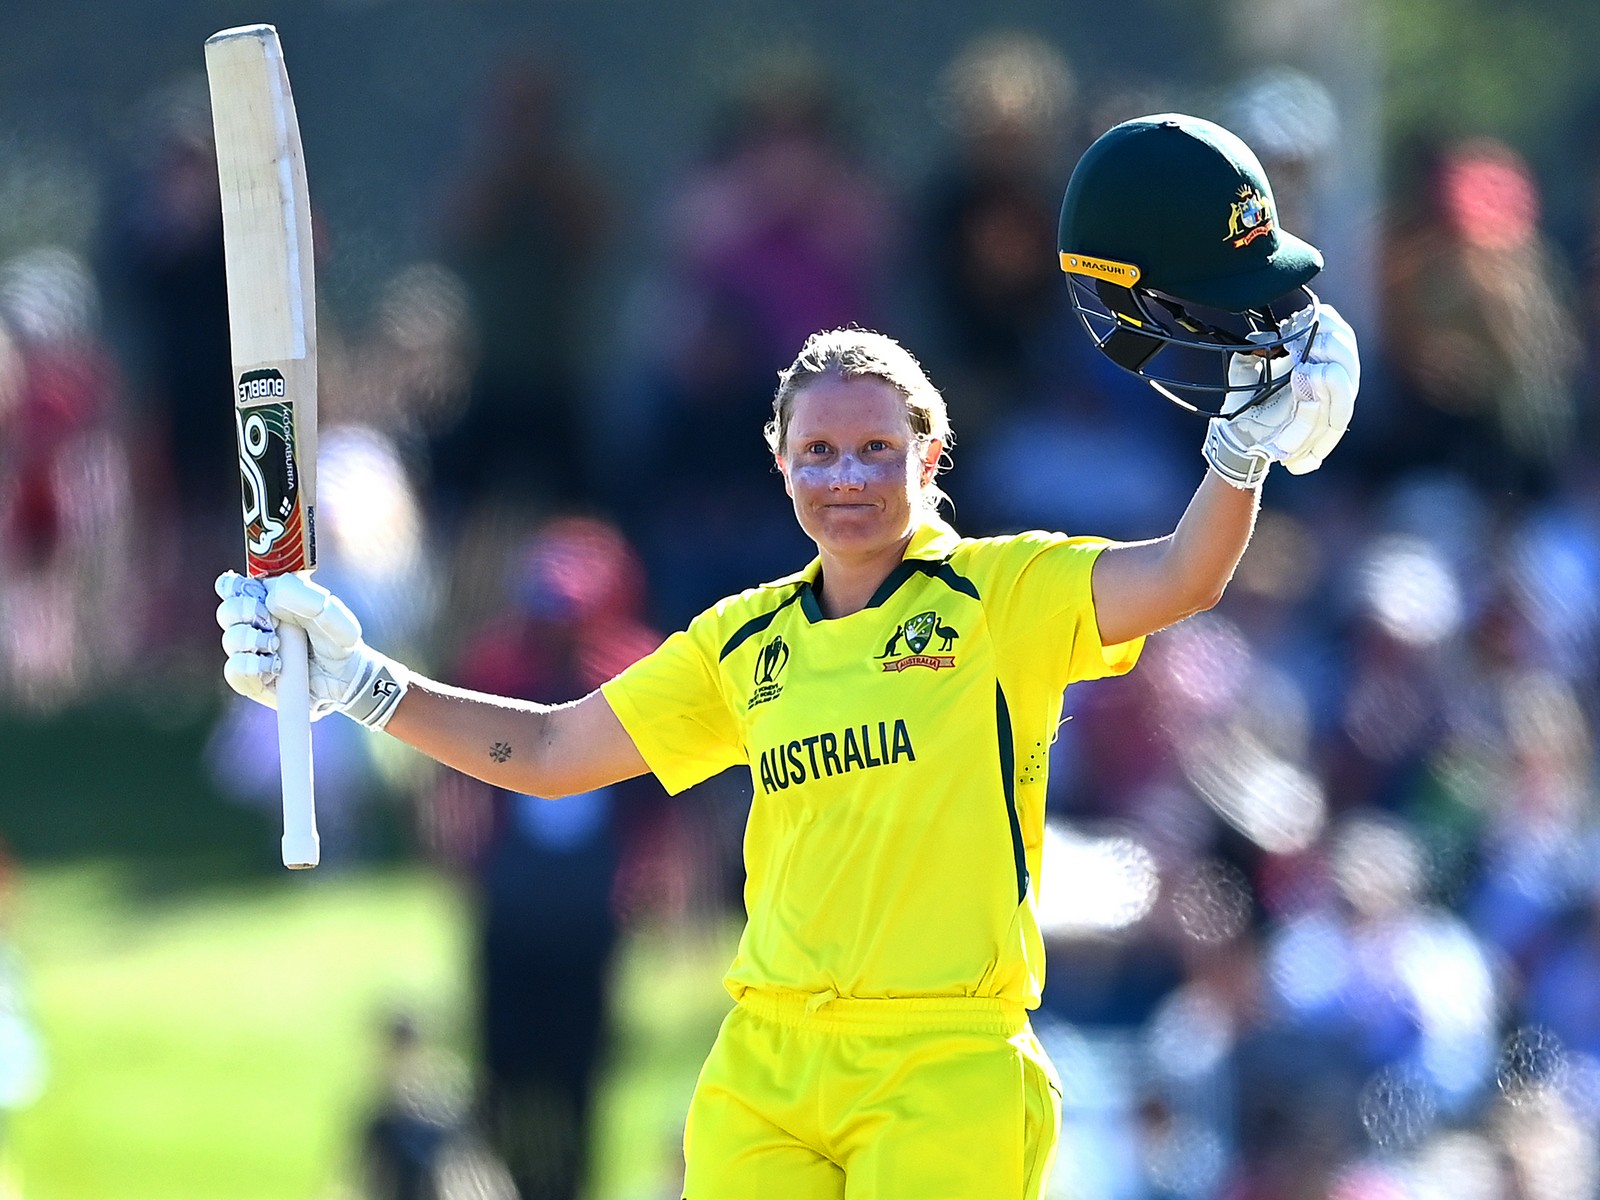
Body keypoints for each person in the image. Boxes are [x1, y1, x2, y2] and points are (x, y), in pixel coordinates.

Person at [216, 114, 1359, 1199]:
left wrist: (1241, 452)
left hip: (943, 1060)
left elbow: (1180, 577)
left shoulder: (1005, 593)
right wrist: (360, 682)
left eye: (875, 449)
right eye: (818, 453)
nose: (846, 477)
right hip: (768, 1061)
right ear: (779, 464)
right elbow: (554, 747)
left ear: (931, 456)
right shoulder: (744, 639)